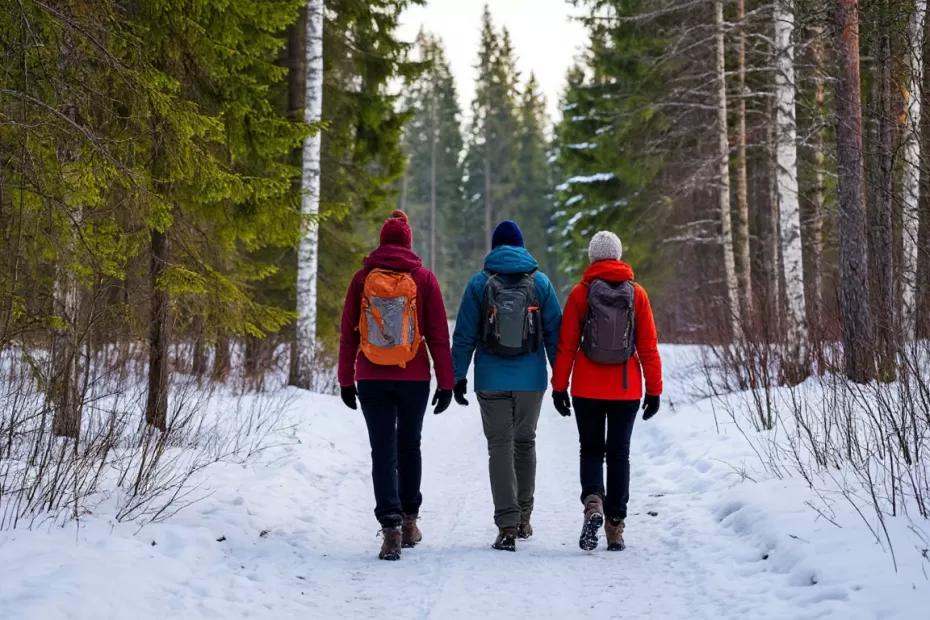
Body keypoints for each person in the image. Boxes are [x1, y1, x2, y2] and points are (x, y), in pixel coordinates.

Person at [338, 210, 455, 561]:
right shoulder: (425, 279)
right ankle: (409, 522)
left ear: (381, 241)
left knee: (382, 451)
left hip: (371, 376)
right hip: (413, 376)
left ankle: (389, 528)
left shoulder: (362, 278)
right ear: (408, 242)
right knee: (409, 447)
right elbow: (438, 335)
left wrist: (346, 379)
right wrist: (446, 382)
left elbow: (348, 335)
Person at [452, 220, 562, 552]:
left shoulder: (479, 283)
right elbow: (557, 334)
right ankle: (525, 517)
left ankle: (507, 525)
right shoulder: (540, 282)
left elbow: (465, 335)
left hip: (491, 378)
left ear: (495, 247)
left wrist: (457, 377)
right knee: (525, 444)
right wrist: (561, 381)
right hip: (531, 380)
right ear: (521, 246)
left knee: (499, 447)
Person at [551, 230, 663, 552]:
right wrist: (654, 390)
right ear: (618, 255)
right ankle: (615, 526)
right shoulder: (637, 294)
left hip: (586, 387)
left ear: (592, 258)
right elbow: (648, 346)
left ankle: (593, 503)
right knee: (619, 454)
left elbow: (567, 346)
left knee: (591, 450)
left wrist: (559, 387)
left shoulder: (579, 294)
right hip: (626, 389)